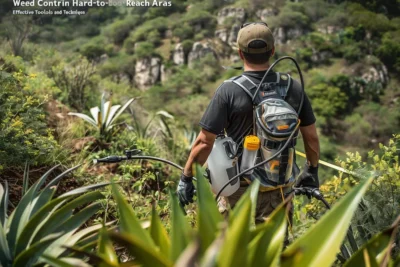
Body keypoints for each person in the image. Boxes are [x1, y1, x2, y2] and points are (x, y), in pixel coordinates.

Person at [177, 22, 320, 225]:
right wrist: (312, 170)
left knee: (231, 250)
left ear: (240, 54)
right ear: (272, 51)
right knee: (274, 251)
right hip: (278, 188)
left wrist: (186, 176)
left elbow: (204, 142)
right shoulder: (293, 87)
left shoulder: (229, 91)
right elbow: (311, 136)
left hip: (237, 188)